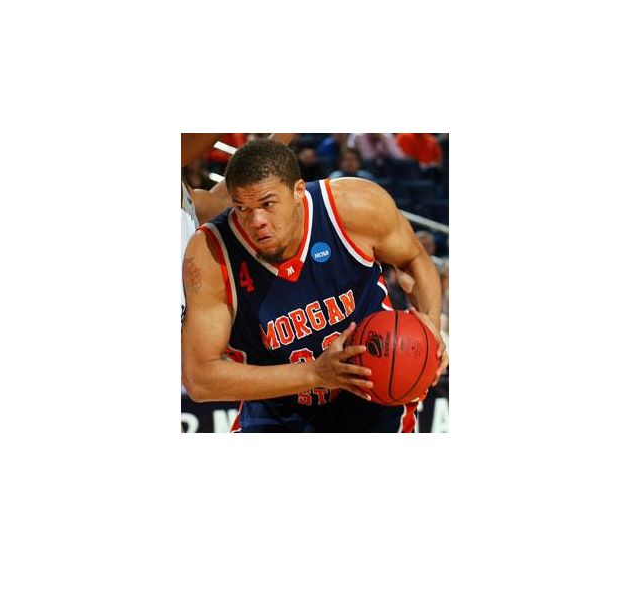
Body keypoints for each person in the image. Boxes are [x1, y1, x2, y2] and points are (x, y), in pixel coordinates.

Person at [181, 139, 447, 432]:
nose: (256, 221)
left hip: (373, 389)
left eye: (268, 204)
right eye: (241, 207)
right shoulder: (211, 252)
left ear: (298, 190)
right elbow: (199, 378)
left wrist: (430, 329)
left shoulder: (353, 206)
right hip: (277, 406)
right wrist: (315, 374)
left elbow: (414, 259)